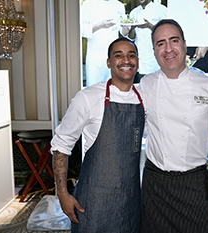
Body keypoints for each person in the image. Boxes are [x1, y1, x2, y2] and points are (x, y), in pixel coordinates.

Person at [138, 19, 208, 233]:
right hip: (156, 184)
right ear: (155, 51)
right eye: (160, 43)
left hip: (193, 182)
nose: (168, 49)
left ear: (184, 44)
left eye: (173, 41)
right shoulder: (146, 84)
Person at [51, 37, 145, 233]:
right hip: (93, 203)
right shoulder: (88, 97)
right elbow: (61, 145)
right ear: (109, 63)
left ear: (137, 61)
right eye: (118, 56)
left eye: (131, 55)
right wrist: (62, 194)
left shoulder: (143, 98)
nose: (126, 60)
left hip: (130, 201)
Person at [81, 0, 127, 86]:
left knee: (113, 88)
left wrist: (126, 27)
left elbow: (123, 32)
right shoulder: (88, 3)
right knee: (93, 89)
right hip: (95, 55)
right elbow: (82, 29)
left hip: (114, 55)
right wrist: (100, 25)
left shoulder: (119, 5)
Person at [124, 0, 167, 82]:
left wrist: (149, 25)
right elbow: (131, 37)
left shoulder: (162, 10)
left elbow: (165, 32)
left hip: (153, 60)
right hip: (139, 60)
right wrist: (132, 28)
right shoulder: (134, 12)